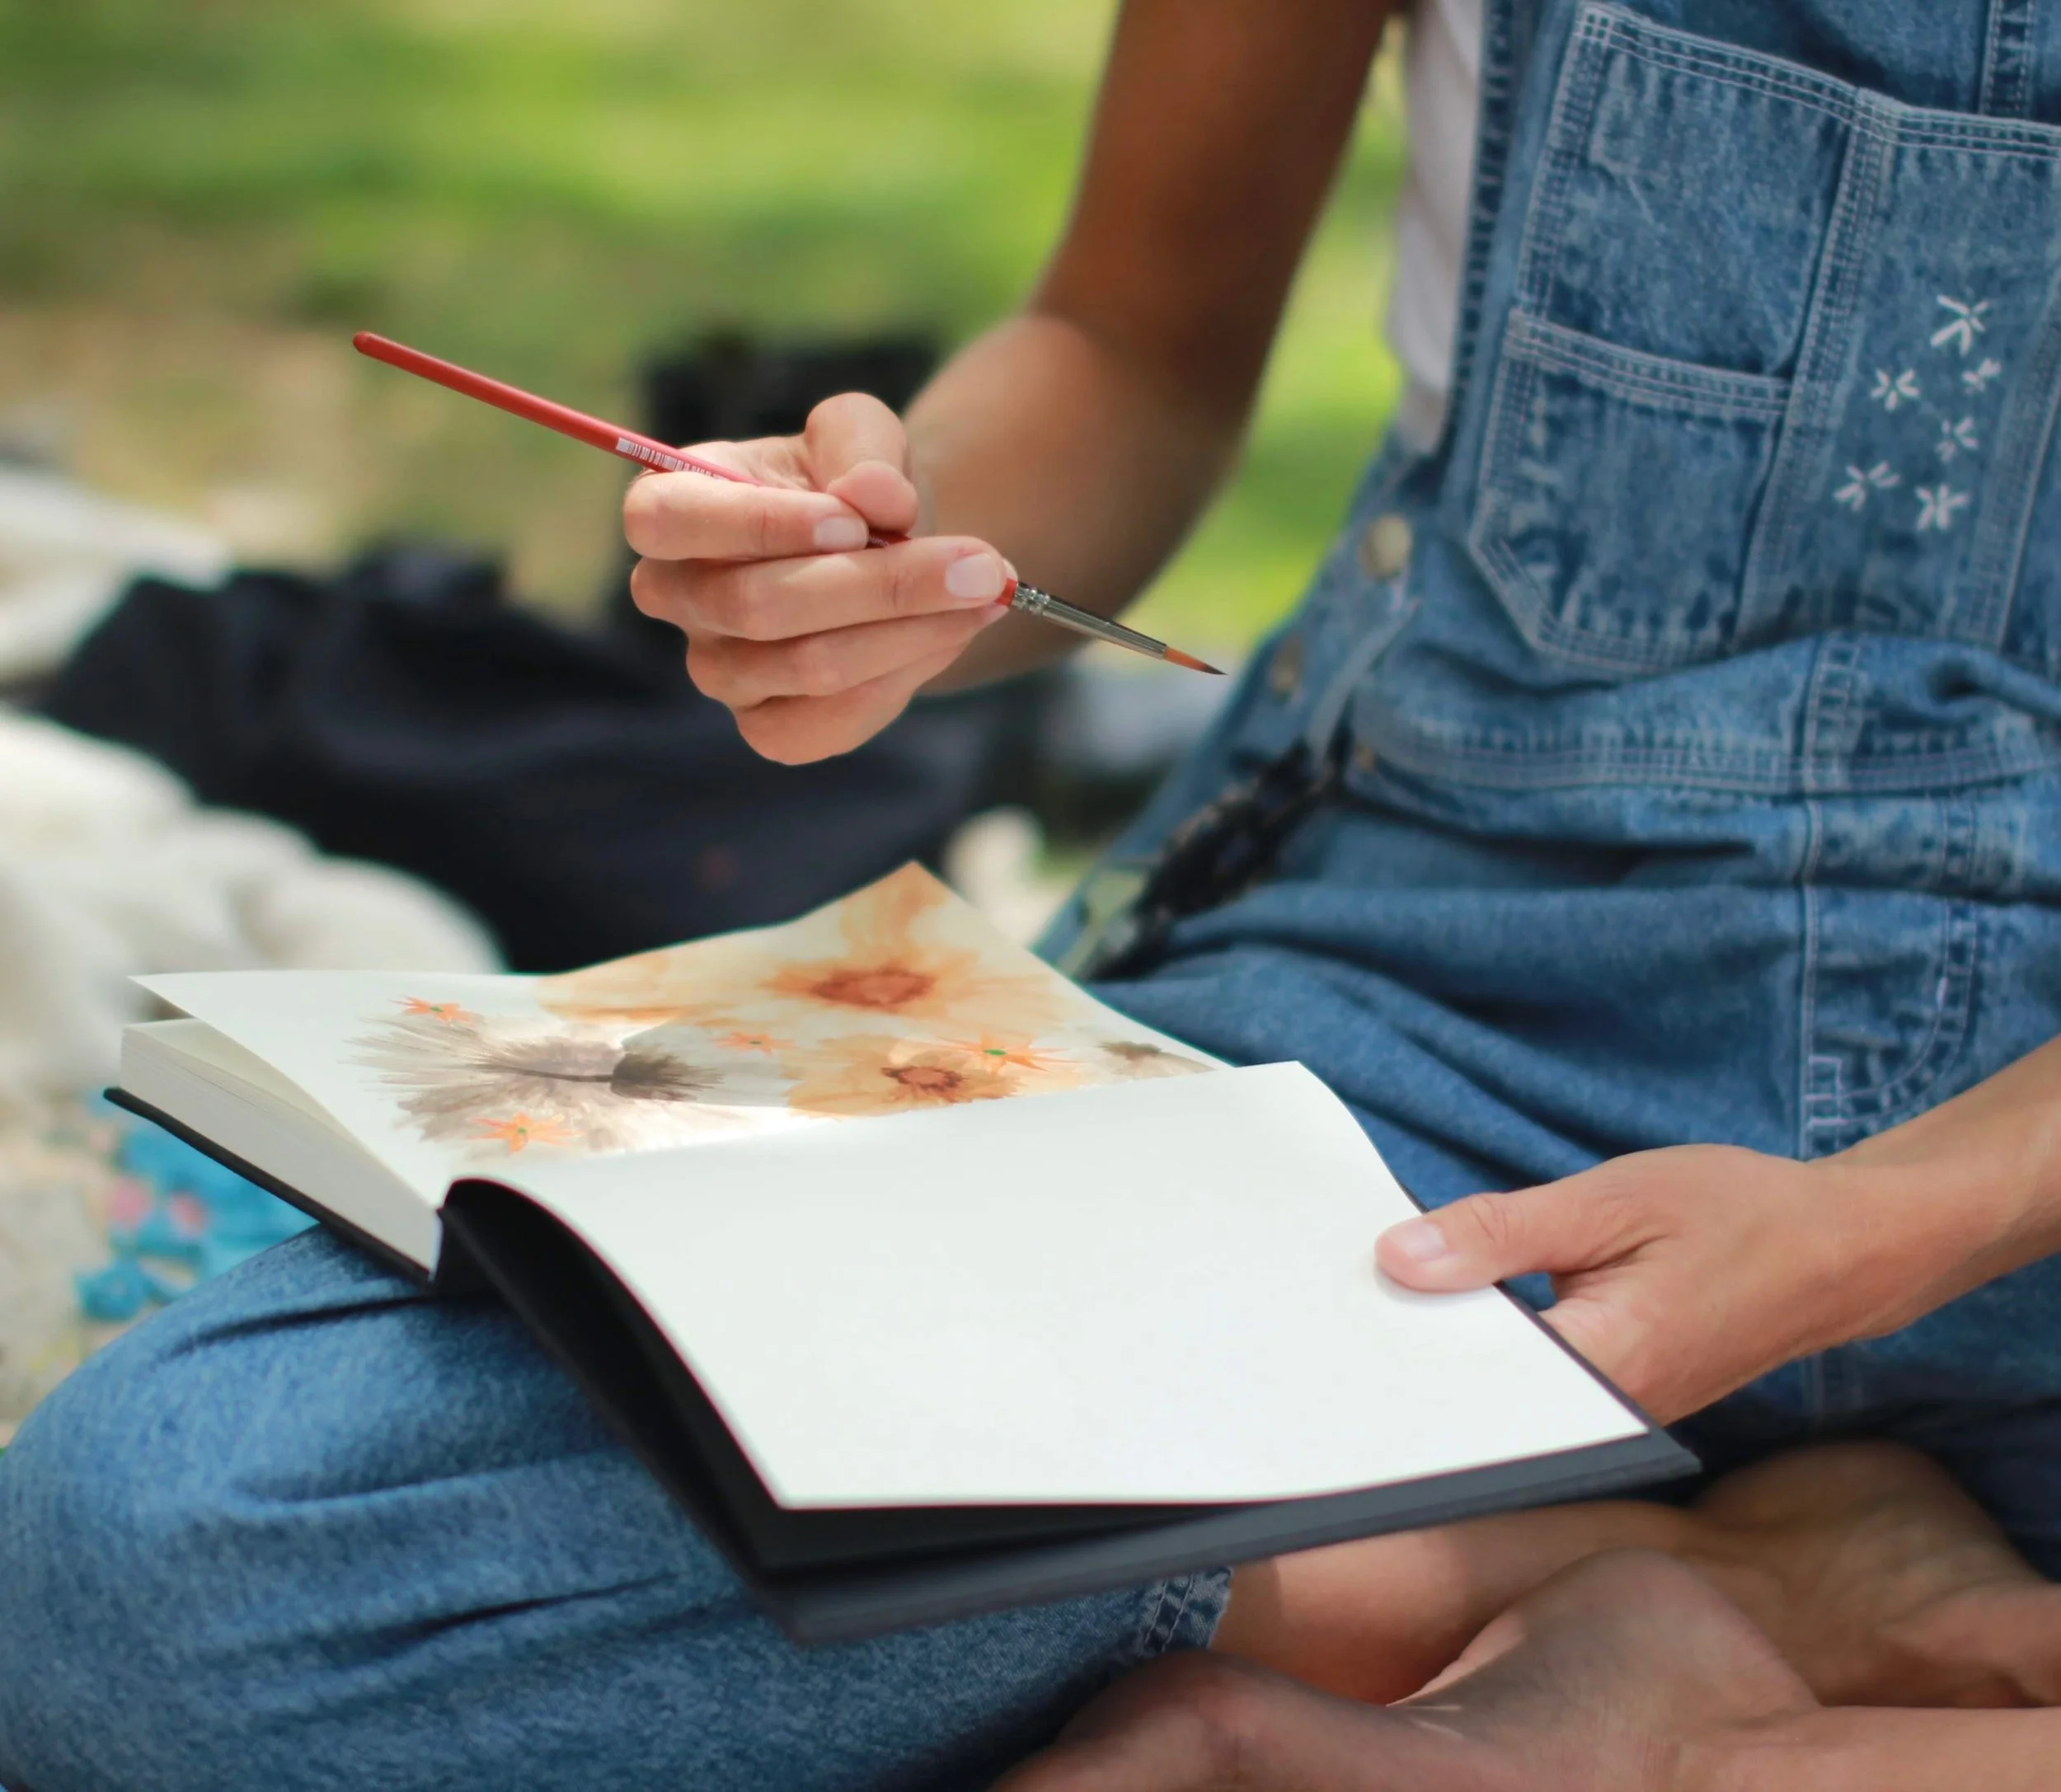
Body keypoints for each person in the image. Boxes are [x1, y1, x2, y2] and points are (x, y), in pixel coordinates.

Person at [5, 0, 2061, 1785]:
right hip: (1434, 1023)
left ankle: (1611, 1664)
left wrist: (1901, 1219)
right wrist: (882, 572)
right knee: (163, 1579)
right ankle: (1676, 1570)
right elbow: (1129, 342)